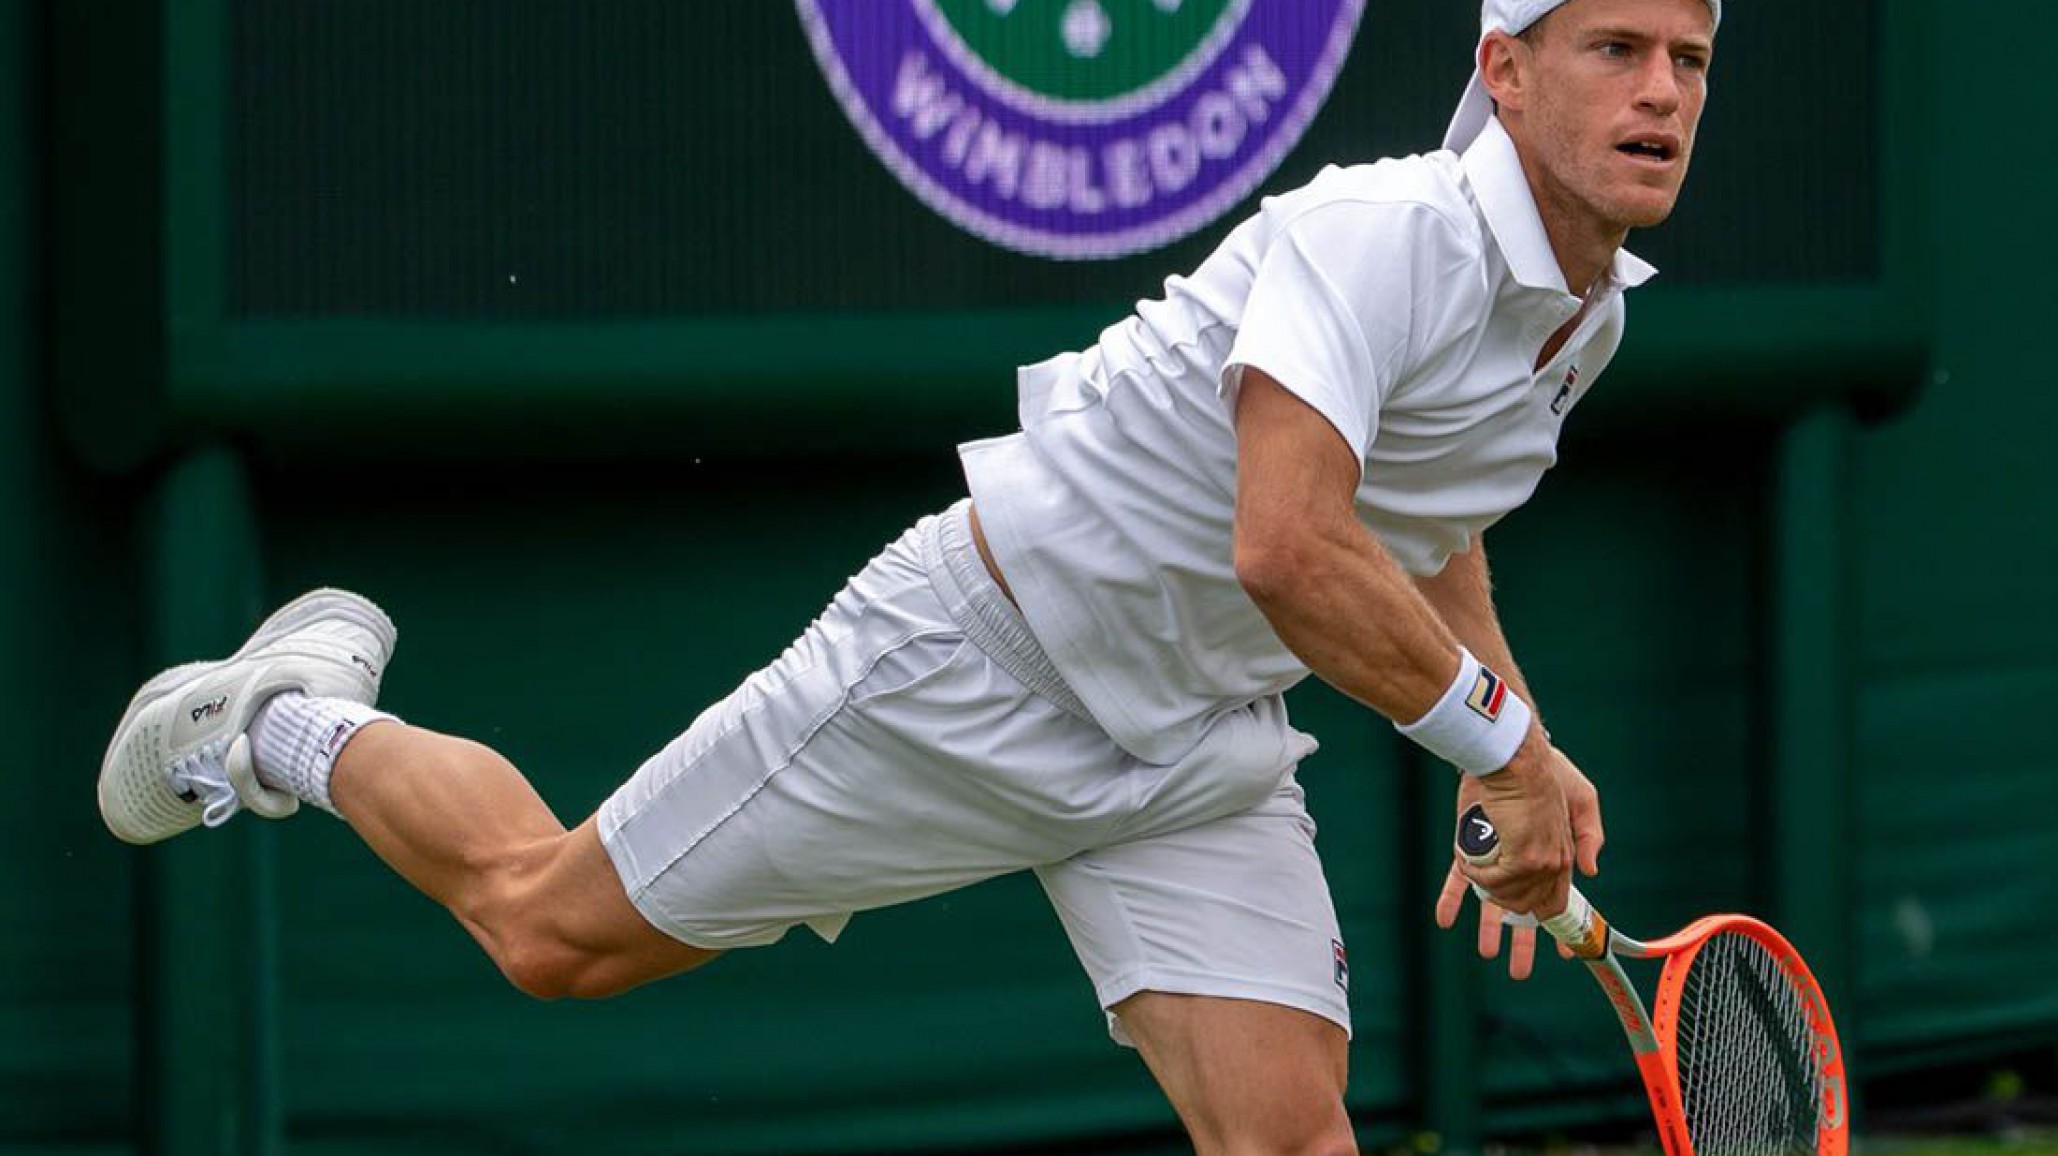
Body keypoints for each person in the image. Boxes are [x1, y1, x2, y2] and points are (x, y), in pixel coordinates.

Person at [97, 0, 1717, 1150]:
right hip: (980, 655)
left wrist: (1516, 738)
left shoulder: (1586, 313)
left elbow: (1429, 523)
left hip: (1195, 750)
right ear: (1503, 72)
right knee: (546, 931)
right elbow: (1286, 543)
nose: (1661, 92)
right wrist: (1495, 742)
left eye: (1690, 60)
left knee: (1288, 1138)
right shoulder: (1382, 234)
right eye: (1615, 49)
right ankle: (286, 722)